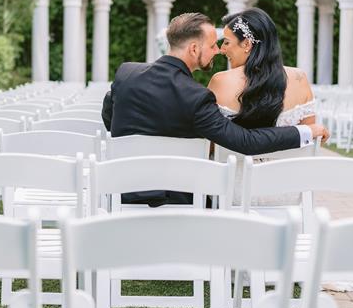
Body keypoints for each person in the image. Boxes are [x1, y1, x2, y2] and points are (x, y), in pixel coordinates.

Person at [101, 12, 329, 206]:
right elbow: (245, 141)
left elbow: (109, 115)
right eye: (212, 46)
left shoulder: (126, 73)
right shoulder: (196, 97)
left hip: (121, 192)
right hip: (180, 200)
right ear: (193, 49)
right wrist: (306, 131)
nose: (217, 51)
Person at [209, 8, 316, 129]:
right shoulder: (299, 78)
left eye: (226, 42)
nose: (222, 50)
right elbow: (310, 135)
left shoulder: (221, 81)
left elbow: (210, 136)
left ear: (247, 44)